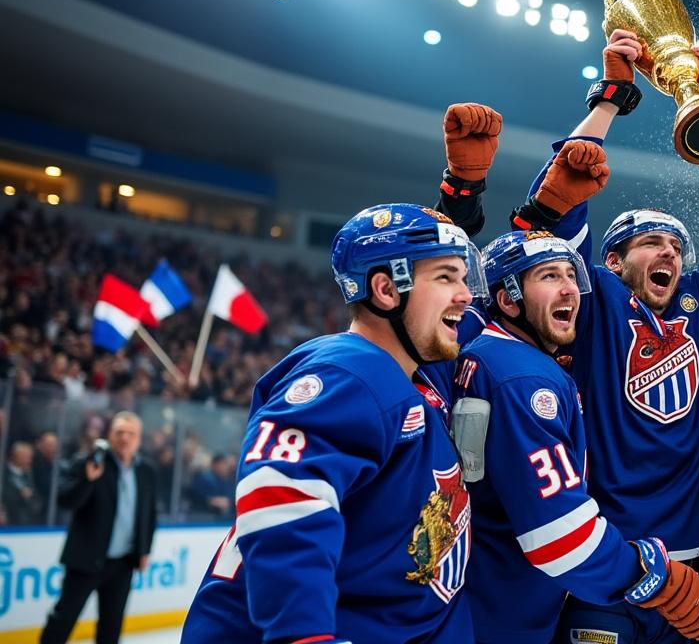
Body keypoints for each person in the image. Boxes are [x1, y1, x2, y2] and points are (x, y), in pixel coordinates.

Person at [502, 29, 699, 643]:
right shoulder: (592, 298)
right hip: (604, 561)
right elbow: (555, 204)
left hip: (687, 556)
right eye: (652, 243)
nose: (670, 254)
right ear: (614, 259)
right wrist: (609, 99)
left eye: (678, 246)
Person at [183, 203, 487, 643]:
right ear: (385, 290)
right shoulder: (350, 373)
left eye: (463, 278)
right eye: (445, 277)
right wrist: (302, 635)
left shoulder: (410, 378)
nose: (465, 295)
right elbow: (282, 493)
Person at [453, 231, 699, 642]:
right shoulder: (525, 379)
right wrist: (651, 573)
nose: (570, 289)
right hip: (501, 613)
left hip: (483, 599)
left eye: (571, 276)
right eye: (548, 276)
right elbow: (558, 536)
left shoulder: (483, 353)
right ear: (508, 300)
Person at [40, 411, 157, 644]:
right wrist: (87, 479)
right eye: (119, 432)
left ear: (139, 440)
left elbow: (149, 513)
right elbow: (65, 501)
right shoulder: (90, 463)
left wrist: (144, 549)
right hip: (85, 560)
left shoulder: (146, 471)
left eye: (131, 434)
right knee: (62, 621)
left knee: (111, 628)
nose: (125, 438)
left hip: (123, 563)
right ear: (109, 436)